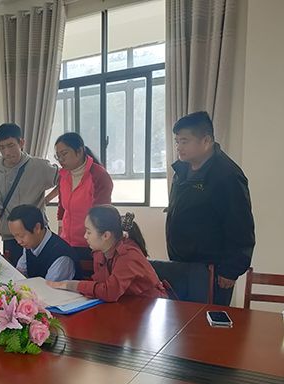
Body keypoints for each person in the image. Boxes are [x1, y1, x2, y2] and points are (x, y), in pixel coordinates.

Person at [166, 111, 255, 306]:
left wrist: (230, 270)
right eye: (177, 141)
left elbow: (240, 226)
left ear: (206, 141)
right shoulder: (182, 170)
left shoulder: (227, 175)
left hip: (212, 271)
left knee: (207, 322)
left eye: (184, 141)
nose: (179, 147)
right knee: (179, 319)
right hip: (180, 264)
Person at [48, 205, 167, 302]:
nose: (85, 236)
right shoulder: (99, 252)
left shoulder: (128, 255)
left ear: (106, 235)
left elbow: (109, 292)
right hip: (123, 304)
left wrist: (70, 285)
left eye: (89, 232)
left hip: (151, 305)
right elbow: (100, 284)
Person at [0, 123, 58, 266]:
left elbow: (65, 179)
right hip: (12, 238)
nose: (6, 152)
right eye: (2, 147)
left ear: (21, 143)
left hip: (38, 235)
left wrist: (47, 199)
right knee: (15, 276)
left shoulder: (39, 166)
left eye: (10, 145)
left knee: (43, 275)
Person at [53, 132, 113, 261]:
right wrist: (60, 237)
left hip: (91, 245)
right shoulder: (63, 175)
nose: (61, 160)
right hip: (67, 243)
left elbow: (101, 215)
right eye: (58, 156)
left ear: (79, 151)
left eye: (64, 154)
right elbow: (62, 208)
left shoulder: (99, 176)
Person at [7, 205, 77, 281]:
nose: (18, 241)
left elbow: (50, 287)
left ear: (37, 228)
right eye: (15, 236)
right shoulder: (30, 244)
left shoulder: (61, 257)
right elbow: (20, 272)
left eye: (21, 236)